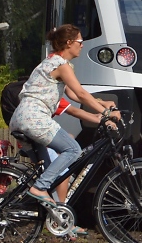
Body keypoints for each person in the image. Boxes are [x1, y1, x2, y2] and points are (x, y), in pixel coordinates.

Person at [11, 24, 120, 207]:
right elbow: (81, 94)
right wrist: (107, 113)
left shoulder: (52, 61)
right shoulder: (61, 65)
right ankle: (39, 188)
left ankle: (52, 215)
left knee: (51, 172)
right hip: (35, 118)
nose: (82, 45)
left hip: (21, 117)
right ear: (69, 43)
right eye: (80, 41)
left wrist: (102, 103)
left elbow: (73, 94)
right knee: (73, 149)